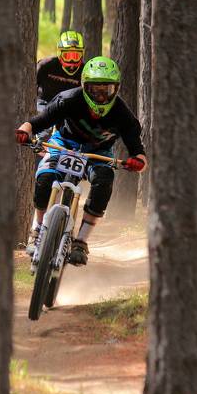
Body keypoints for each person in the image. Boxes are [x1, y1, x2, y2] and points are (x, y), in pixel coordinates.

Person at [15, 56, 147, 266]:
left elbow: (138, 151)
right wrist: (24, 132)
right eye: (95, 90)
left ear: (117, 89)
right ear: (84, 87)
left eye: (108, 90)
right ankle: (38, 229)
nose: (102, 97)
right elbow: (36, 123)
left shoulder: (124, 116)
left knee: (104, 179)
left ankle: (81, 242)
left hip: (98, 152)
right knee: (45, 177)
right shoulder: (67, 100)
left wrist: (137, 162)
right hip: (63, 143)